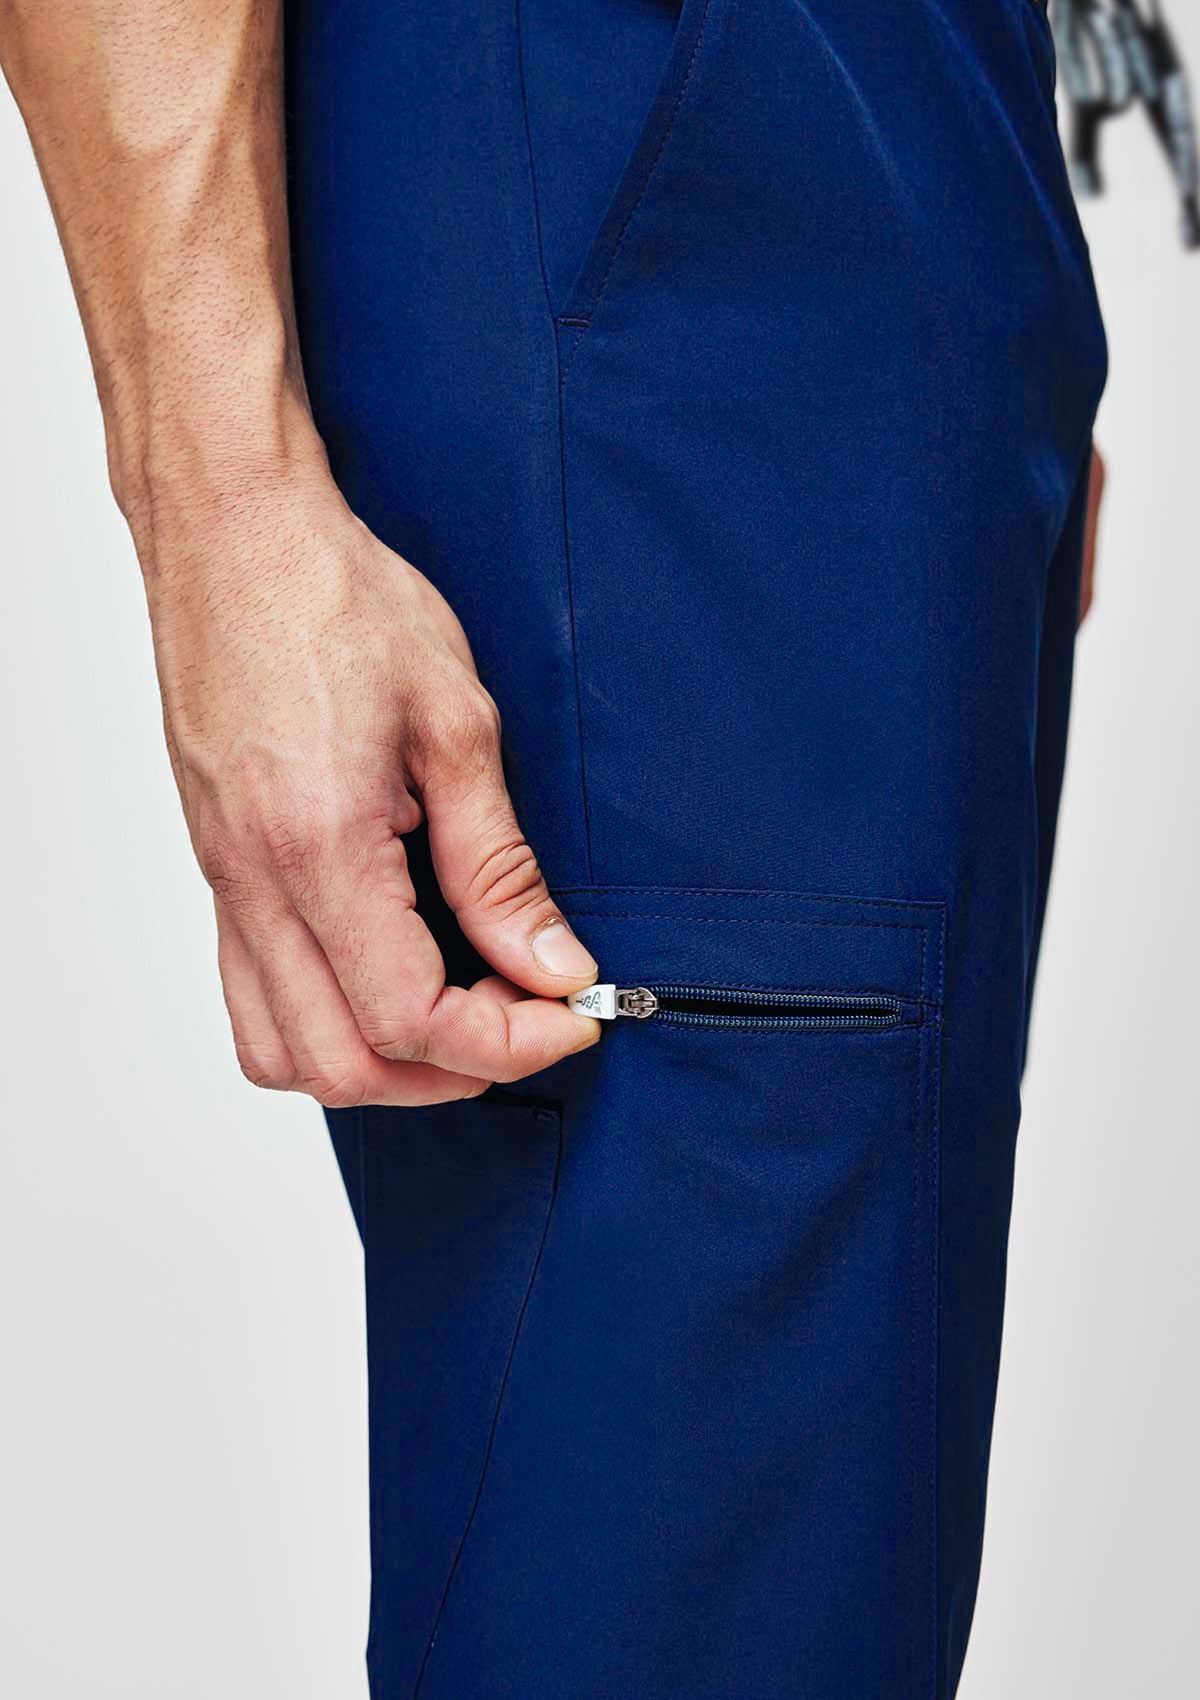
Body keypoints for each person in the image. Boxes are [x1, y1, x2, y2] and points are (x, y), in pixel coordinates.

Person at [0, 2, 1108, 1695]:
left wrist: (974, 292)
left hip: (901, 191)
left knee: (826, 1590)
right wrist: (222, 506)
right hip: (636, 183)